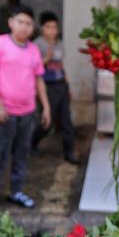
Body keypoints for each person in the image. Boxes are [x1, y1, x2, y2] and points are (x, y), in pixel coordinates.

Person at [0, 4, 52, 210]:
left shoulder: (33, 50)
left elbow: (39, 80)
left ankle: (16, 191)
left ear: (33, 28)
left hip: (27, 113)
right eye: (20, 22)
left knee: (21, 154)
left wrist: (45, 107)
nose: (24, 27)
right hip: (4, 111)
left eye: (29, 24)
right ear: (11, 22)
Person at [32, 11, 78, 164]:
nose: (52, 30)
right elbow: (35, 68)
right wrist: (47, 57)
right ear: (41, 28)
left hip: (61, 86)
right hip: (47, 87)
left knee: (66, 120)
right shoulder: (37, 44)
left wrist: (68, 85)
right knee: (47, 121)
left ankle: (69, 153)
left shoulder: (59, 43)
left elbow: (61, 66)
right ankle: (32, 143)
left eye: (54, 27)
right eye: (48, 27)